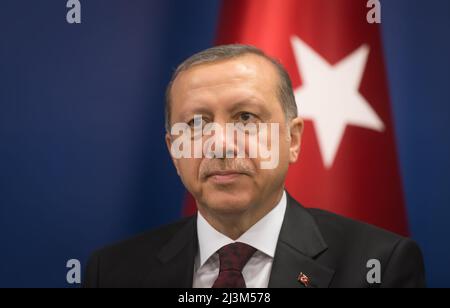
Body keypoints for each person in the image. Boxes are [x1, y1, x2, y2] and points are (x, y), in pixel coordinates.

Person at [83, 45, 425, 288]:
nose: (220, 144)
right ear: (174, 150)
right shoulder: (112, 272)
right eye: (197, 123)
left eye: (246, 117)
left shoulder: (379, 266)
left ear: (292, 140)